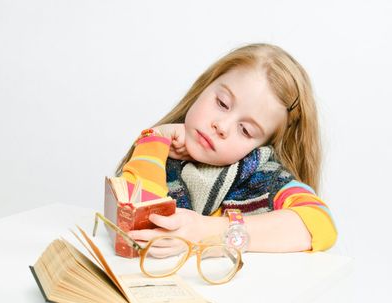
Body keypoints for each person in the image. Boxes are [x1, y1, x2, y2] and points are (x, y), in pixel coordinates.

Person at [115, 43, 337, 257]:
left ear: (263, 144)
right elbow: (131, 216)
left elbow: (319, 223)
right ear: (204, 87)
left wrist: (205, 230)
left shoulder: (264, 177)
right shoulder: (159, 151)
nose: (221, 126)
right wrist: (156, 140)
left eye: (246, 130)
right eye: (222, 103)